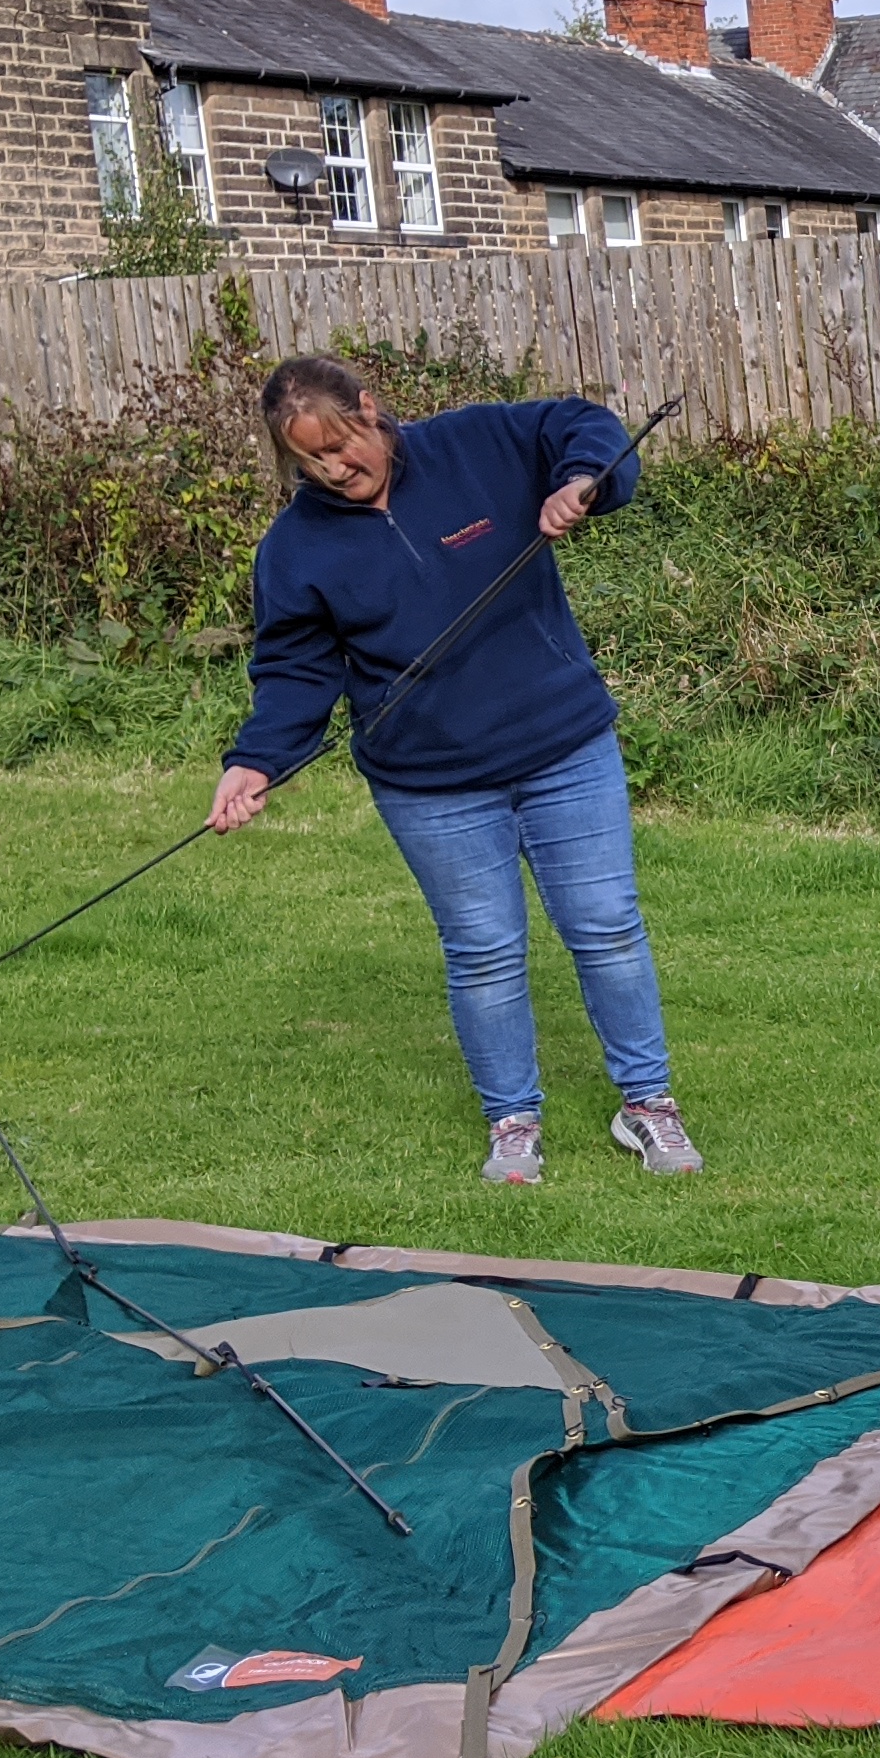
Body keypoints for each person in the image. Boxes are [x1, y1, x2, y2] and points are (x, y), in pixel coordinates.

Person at [209, 355, 699, 1186]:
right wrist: (256, 761)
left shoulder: (476, 444)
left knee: (607, 928)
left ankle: (646, 1106)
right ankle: (514, 1123)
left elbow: (585, 427)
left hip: (563, 748)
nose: (334, 470)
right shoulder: (294, 548)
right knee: (482, 952)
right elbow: (294, 670)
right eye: (310, 461)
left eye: (342, 446)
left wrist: (581, 481)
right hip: (428, 783)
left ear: (371, 411)